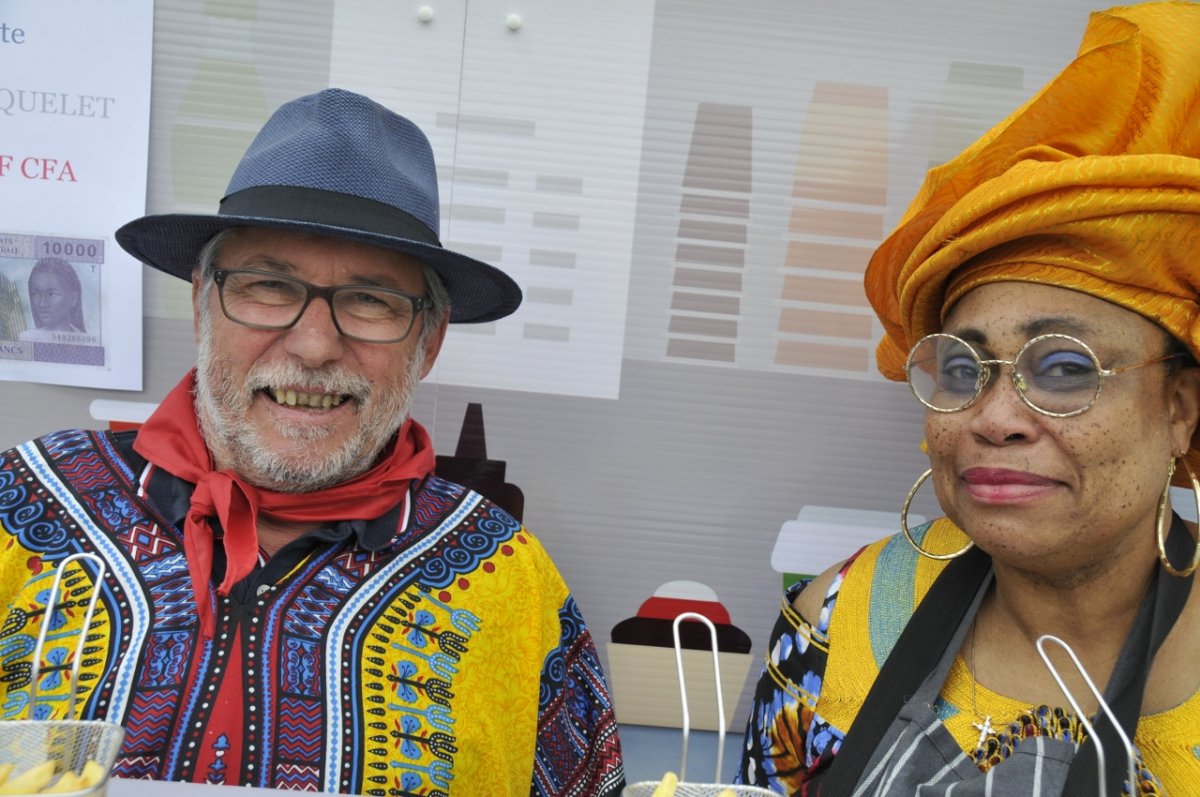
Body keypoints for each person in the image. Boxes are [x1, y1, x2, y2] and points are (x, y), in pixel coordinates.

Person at [0, 88, 624, 796]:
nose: (315, 345)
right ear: (202, 303)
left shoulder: (507, 577)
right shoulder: (23, 507)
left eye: (371, 300)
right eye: (269, 285)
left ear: (429, 342)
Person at [737, 3, 1200, 795]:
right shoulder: (833, 623)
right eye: (961, 368)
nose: (992, 417)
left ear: (1181, 409)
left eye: (1065, 367)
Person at [27, 256, 85, 332]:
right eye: (36, 294)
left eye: (51, 294)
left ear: (73, 298)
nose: (42, 304)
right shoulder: (24, 337)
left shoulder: (85, 338)